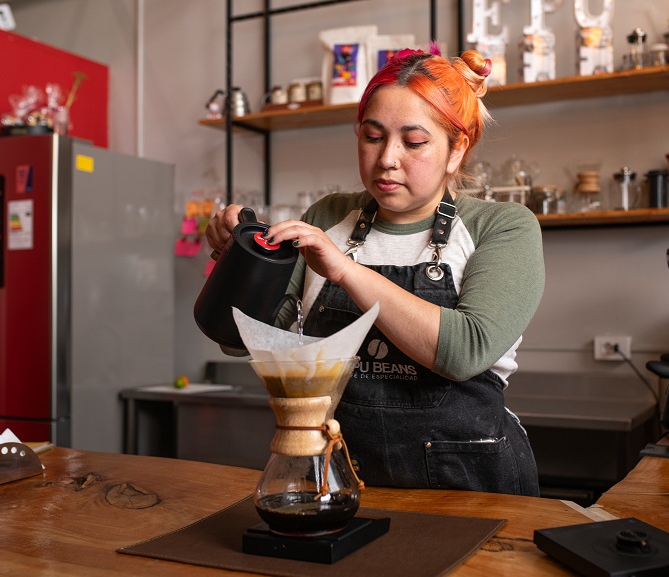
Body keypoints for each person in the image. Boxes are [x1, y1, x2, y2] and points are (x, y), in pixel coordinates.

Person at [206, 46, 545, 496]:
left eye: (415, 141)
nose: (387, 158)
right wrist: (239, 261)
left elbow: (464, 351)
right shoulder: (328, 214)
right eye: (372, 136)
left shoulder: (501, 226)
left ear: (456, 149)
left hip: (470, 489)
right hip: (339, 480)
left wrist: (345, 271)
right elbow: (246, 338)